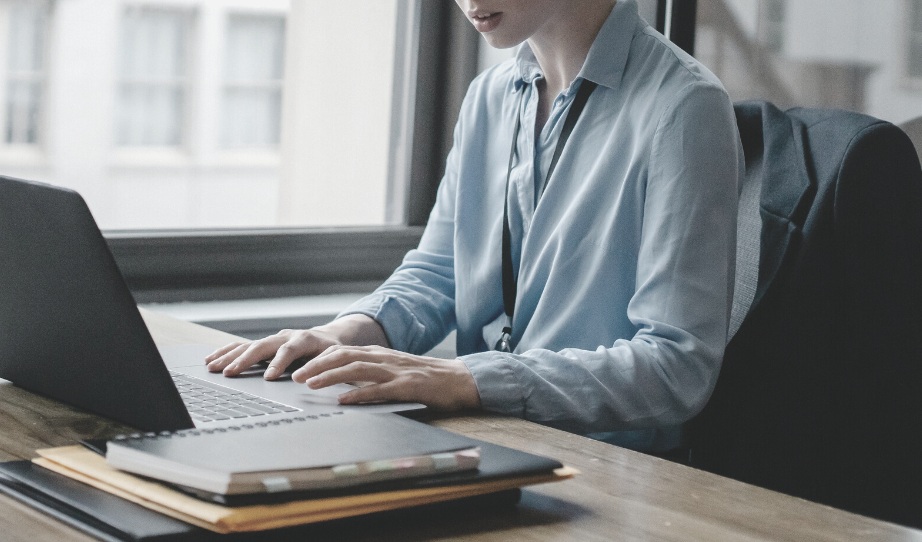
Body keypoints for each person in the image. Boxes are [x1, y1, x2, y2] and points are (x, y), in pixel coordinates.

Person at [205, 0, 742, 451]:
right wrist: (340, 336)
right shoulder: (489, 95)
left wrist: (469, 379)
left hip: (607, 472)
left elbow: (676, 368)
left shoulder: (686, 108)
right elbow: (442, 272)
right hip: (488, 440)